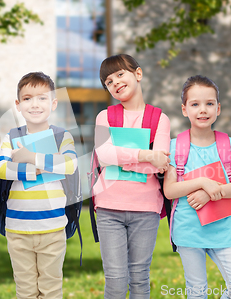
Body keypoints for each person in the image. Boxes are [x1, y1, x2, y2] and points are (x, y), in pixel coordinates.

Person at [163, 75, 231, 299]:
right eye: (195, 104)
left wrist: (209, 194)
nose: (203, 110)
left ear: (218, 108)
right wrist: (202, 182)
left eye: (209, 103)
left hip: (223, 231)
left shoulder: (228, 144)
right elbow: (170, 190)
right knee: (197, 291)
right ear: (184, 109)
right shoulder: (175, 147)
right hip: (188, 231)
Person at [93, 54, 171, 298]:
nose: (115, 82)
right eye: (108, 81)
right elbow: (104, 155)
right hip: (108, 208)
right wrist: (145, 155)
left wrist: (124, 158)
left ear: (138, 74)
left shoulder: (160, 119)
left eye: (119, 74)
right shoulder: (105, 116)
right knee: (115, 280)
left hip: (145, 210)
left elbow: (159, 164)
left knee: (139, 277)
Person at [0, 72, 78, 299]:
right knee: (25, 290)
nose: (35, 104)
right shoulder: (10, 137)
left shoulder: (63, 136)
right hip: (18, 229)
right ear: (18, 105)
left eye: (42, 98)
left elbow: (70, 164)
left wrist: (29, 156)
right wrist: (42, 168)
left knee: (51, 289)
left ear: (53, 103)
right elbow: (2, 169)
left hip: (52, 227)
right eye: (27, 98)